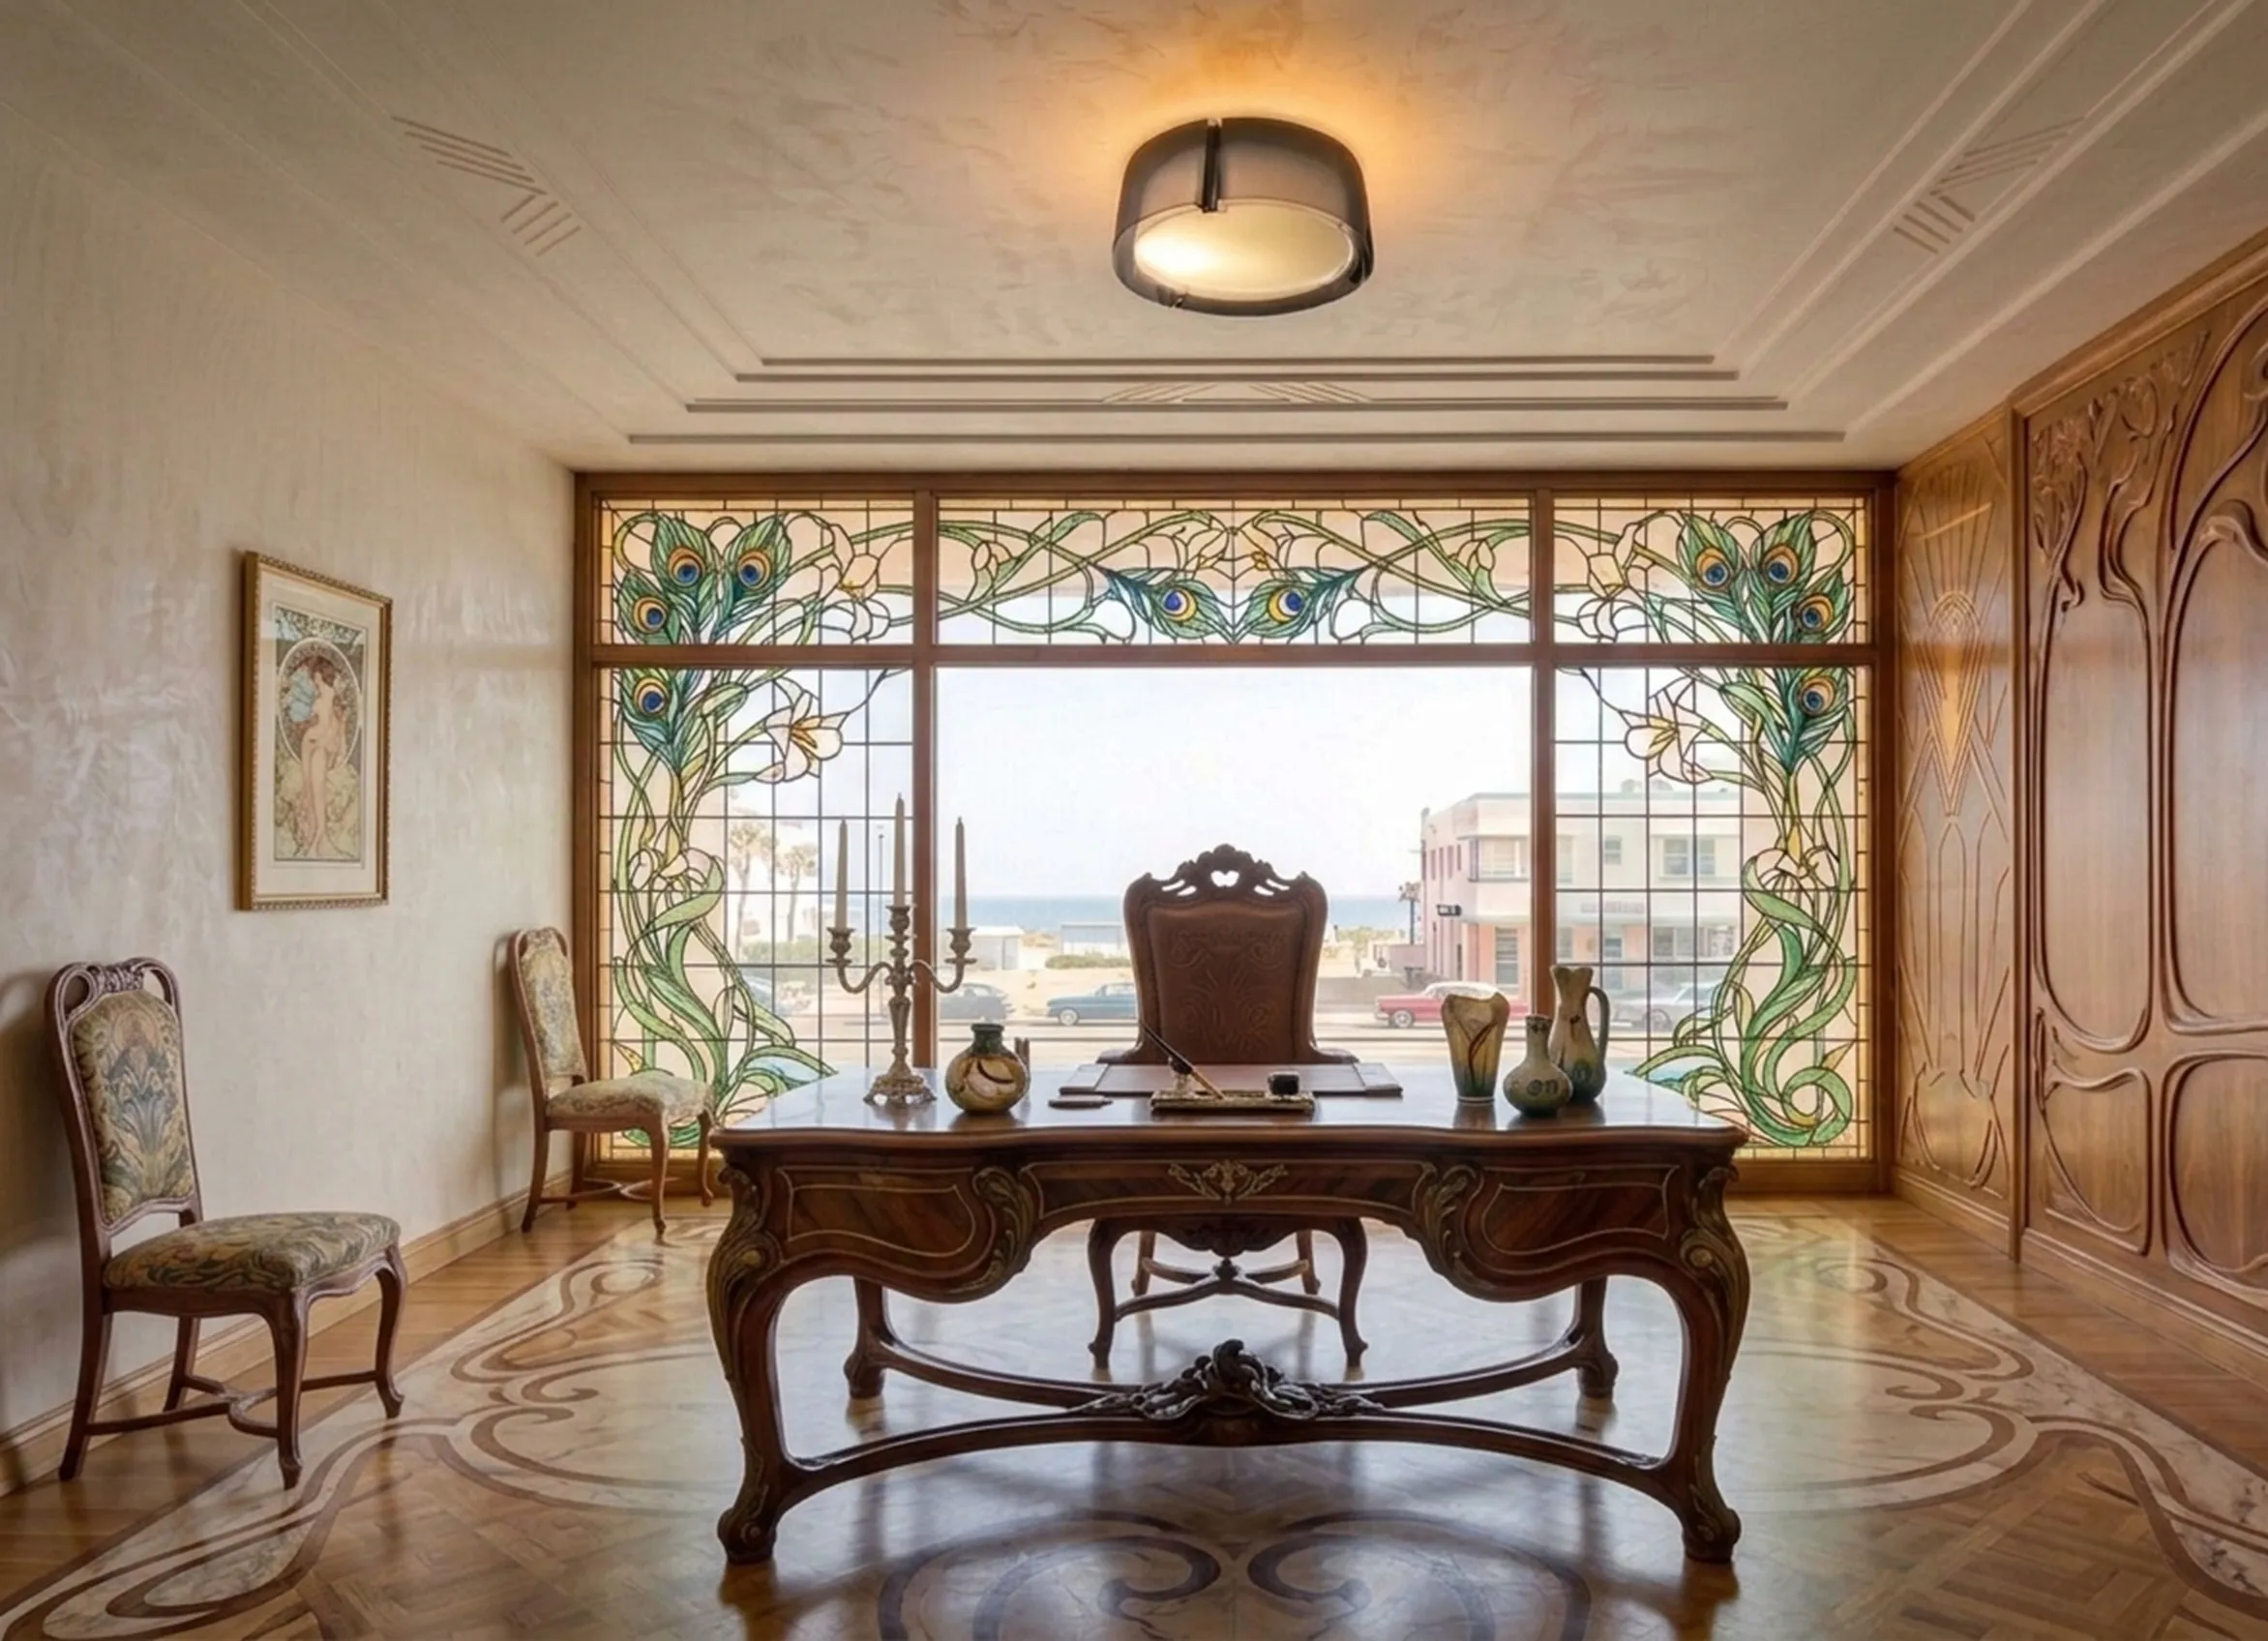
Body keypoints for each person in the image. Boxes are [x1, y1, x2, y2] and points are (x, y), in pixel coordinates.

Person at [286, 652, 350, 856]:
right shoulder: (321, 697)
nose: (314, 680)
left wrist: (336, 749)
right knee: (308, 786)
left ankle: (318, 836)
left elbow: (338, 734)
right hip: (311, 745)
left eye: (315, 676)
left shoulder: (331, 700)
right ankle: (313, 835)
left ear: (320, 676)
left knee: (315, 784)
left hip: (321, 750)